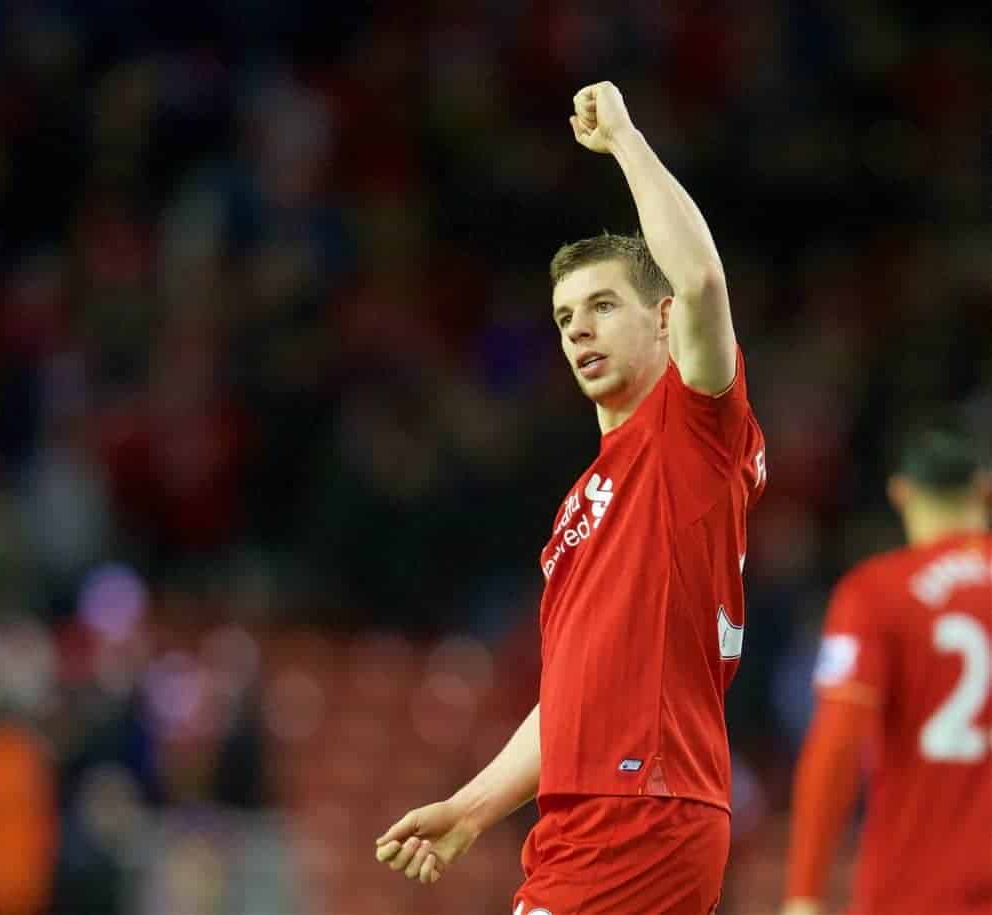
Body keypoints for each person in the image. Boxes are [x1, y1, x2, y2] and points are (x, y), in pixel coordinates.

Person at [374, 81, 767, 914]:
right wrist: (473, 809)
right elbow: (577, 694)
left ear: (661, 323)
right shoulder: (585, 499)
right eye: (562, 317)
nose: (577, 329)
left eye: (600, 306)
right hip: (587, 814)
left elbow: (698, 281)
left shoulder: (689, 434)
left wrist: (624, 140)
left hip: (644, 806)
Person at [781, 422, 992, 915]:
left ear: (901, 492)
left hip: (914, 889)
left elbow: (837, 742)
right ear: (983, 489)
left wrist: (804, 892)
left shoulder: (875, 594)